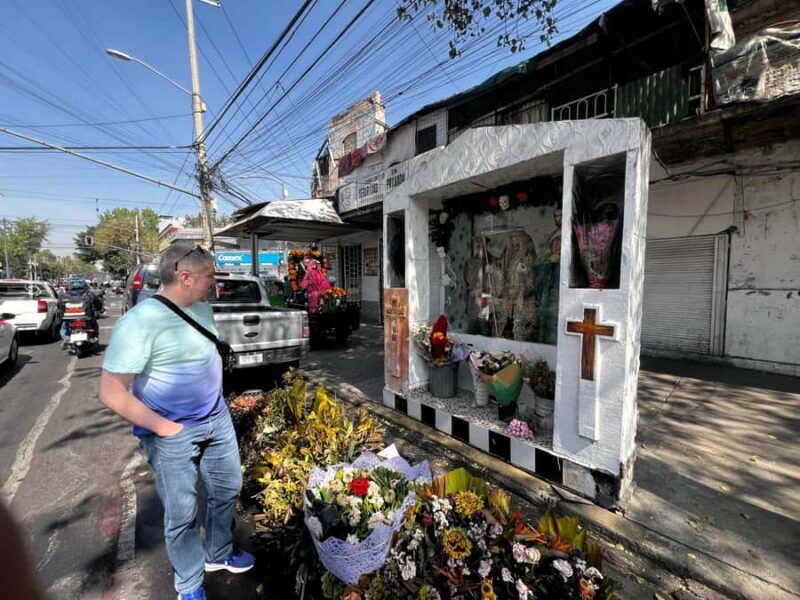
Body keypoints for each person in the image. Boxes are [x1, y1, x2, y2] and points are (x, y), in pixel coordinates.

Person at [98, 244, 254, 600]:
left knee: (228, 488)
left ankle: (219, 552)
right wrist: (164, 428)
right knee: (182, 514)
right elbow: (111, 392)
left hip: (216, 418)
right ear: (185, 278)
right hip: (171, 433)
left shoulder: (200, 308)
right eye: (210, 276)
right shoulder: (138, 322)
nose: (215, 283)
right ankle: (189, 584)